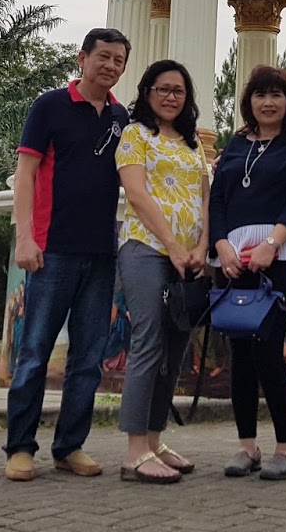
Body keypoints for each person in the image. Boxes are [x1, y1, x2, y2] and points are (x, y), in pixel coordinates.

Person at [2, 28, 132, 483]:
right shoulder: (50, 106)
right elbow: (25, 174)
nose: (111, 66)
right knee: (35, 353)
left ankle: (69, 446)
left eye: (119, 60)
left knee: (89, 358)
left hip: (101, 254)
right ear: (83, 58)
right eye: (103, 57)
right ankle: (19, 448)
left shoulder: (121, 117)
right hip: (51, 250)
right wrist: (25, 238)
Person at [207, 65, 286, 481]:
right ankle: (246, 447)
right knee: (239, 352)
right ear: (248, 101)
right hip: (231, 257)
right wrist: (221, 246)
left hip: (280, 256)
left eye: (276, 94)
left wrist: (271, 243)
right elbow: (216, 201)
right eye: (259, 95)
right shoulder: (235, 145)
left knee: (267, 348)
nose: (267, 102)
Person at [114, 60, 210, 484]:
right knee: (149, 340)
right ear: (147, 92)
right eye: (163, 88)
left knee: (175, 349)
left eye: (179, 90)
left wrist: (201, 246)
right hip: (146, 249)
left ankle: (155, 440)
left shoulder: (193, 144)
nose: (171, 96)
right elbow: (136, 193)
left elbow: (206, 197)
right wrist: (172, 245)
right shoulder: (136, 135)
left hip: (188, 258)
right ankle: (134, 451)